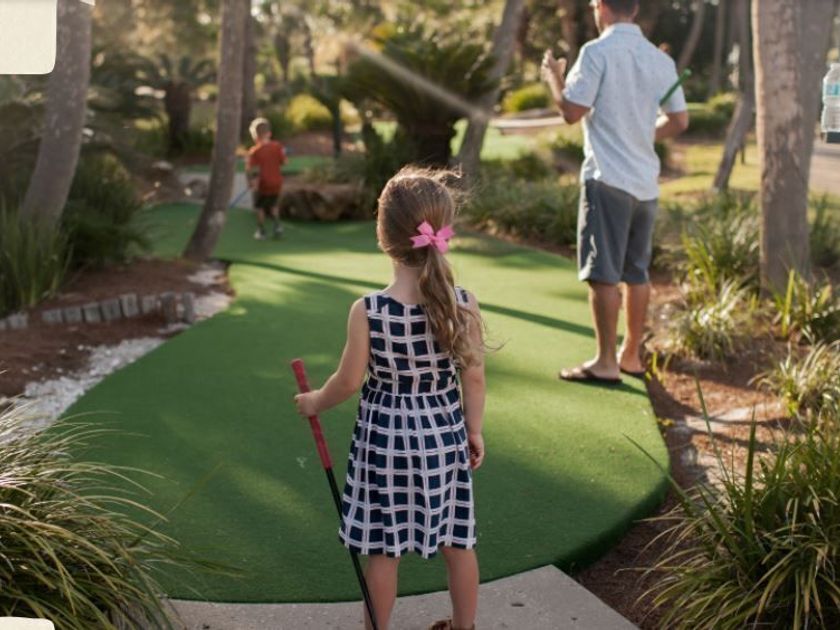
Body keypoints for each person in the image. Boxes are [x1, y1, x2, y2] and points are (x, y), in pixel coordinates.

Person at [294, 167, 486, 630]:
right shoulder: (462, 303)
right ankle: (464, 627)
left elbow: (347, 381)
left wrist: (314, 402)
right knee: (457, 542)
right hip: (443, 435)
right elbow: (475, 377)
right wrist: (474, 431)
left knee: (384, 551)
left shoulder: (369, 310)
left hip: (385, 444)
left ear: (384, 236)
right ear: (443, 230)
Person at [541, 0, 689, 384]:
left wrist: (554, 76)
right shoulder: (659, 60)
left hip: (608, 180)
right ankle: (631, 356)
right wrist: (641, 136)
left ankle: (606, 362)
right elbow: (679, 121)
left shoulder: (596, 52)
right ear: (634, 9)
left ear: (602, 8)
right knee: (636, 272)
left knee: (603, 276)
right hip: (645, 185)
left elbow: (571, 112)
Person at [247, 117, 287, 240]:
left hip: (262, 184)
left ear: (255, 136)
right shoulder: (277, 146)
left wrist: (251, 182)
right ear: (269, 133)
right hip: (277, 182)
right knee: (274, 205)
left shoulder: (254, 151)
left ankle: (261, 231)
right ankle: (277, 226)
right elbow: (284, 162)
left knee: (260, 207)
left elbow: (252, 170)